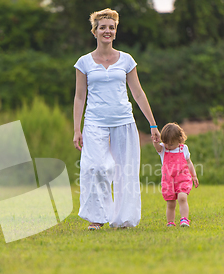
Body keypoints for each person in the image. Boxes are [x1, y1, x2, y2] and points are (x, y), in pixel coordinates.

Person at [73, 8, 160, 230]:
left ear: (115, 31)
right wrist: (77, 129)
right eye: (103, 27)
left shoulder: (127, 60)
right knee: (96, 167)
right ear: (94, 31)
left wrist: (152, 124)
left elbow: (138, 93)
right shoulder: (83, 62)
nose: (107, 31)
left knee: (125, 171)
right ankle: (97, 217)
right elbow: (80, 96)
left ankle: (123, 219)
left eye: (111, 27)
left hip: (123, 122)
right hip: (94, 124)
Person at [152, 123, 199, 227]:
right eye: (166, 143)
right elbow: (157, 147)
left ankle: (184, 219)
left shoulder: (184, 149)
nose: (168, 146)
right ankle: (170, 222)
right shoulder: (163, 149)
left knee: (182, 197)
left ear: (179, 140)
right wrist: (155, 141)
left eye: (171, 144)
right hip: (168, 180)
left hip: (183, 178)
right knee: (170, 203)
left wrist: (194, 175)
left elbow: (189, 162)